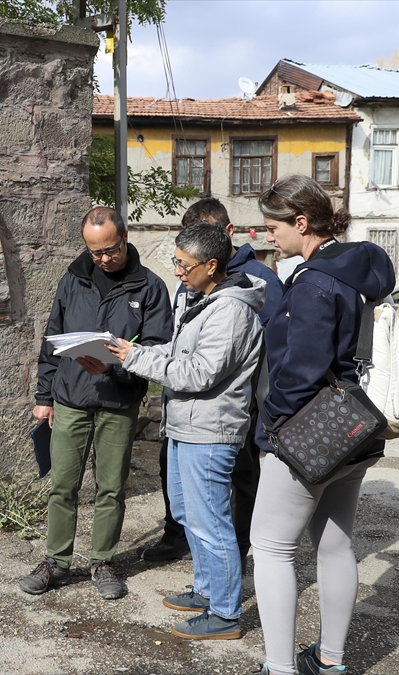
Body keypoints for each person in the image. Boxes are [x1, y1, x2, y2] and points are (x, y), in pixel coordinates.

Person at [250, 175, 395, 675]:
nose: (269, 237)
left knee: (269, 548)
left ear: (302, 223)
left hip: (310, 431)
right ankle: (329, 660)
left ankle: (279, 667)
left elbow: (302, 369)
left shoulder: (314, 280)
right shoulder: (360, 269)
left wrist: (272, 424)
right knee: (335, 545)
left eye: (273, 228)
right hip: (356, 425)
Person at [107, 224, 265, 640]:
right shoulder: (204, 299)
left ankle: (226, 614)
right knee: (191, 517)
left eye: (183, 264)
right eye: (175, 261)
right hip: (186, 427)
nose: (177, 271)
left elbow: (199, 372)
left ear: (211, 266)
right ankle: (206, 590)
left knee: (211, 523)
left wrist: (136, 362)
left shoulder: (230, 310)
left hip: (210, 432)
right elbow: (178, 352)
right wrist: (132, 351)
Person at [21, 205, 173, 600]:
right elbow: (53, 338)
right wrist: (43, 397)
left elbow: (158, 354)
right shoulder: (72, 279)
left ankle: (102, 560)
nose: (104, 259)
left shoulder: (150, 287)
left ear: (124, 238)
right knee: (63, 485)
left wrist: (113, 369)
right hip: (70, 398)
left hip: (119, 402)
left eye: (110, 250)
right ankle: (56, 562)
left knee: (111, 487)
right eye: (95, 253)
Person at [140, 199, 284, 568]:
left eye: (185, 263)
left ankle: (232, 559)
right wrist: (142, 354)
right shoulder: (191, 281)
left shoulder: (253, 285)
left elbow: (211, 365)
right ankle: (185, 545)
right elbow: (182, 344)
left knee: (232, 489)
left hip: (229, 410)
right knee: (189, 498)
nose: (178, 271)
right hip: (185, 412)